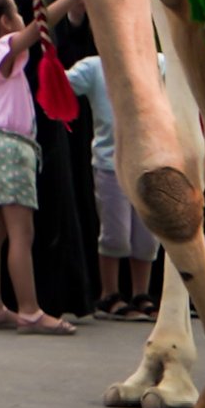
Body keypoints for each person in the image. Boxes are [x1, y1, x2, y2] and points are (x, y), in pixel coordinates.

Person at [0, 6, 71, 333]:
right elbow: (40, 24)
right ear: (5, 22)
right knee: (21, 233)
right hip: (10, 147)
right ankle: (29, 310)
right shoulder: (2, 50)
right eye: (16, 13)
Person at [65, 23, 151, 318]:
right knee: (115, 234)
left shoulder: (155, 64)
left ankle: (141, 293)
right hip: (110, 163)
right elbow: (61, 85)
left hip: (148, 163)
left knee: (147, 236)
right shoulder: (93, 67)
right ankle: (109, 293)